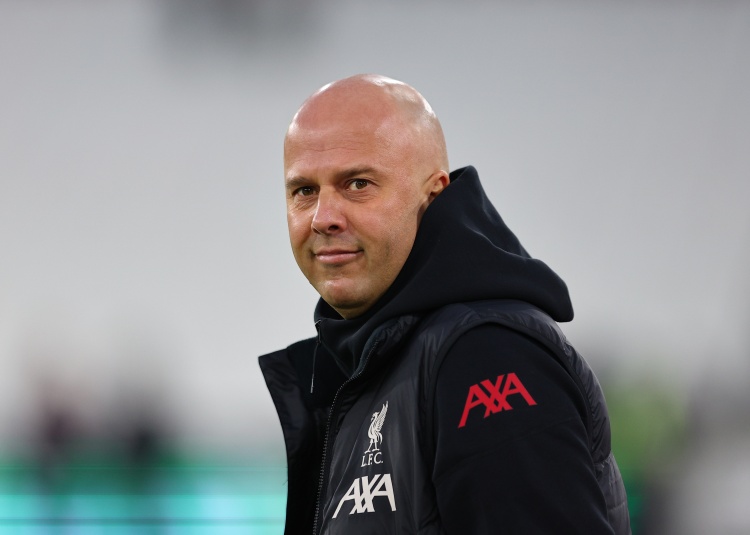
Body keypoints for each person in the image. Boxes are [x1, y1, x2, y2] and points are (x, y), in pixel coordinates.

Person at [259, 74, 630, 534]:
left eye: (357, 184)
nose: (323, 218)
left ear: (432, 194)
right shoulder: (374, 366)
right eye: (304, 191)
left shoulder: (484, 354)